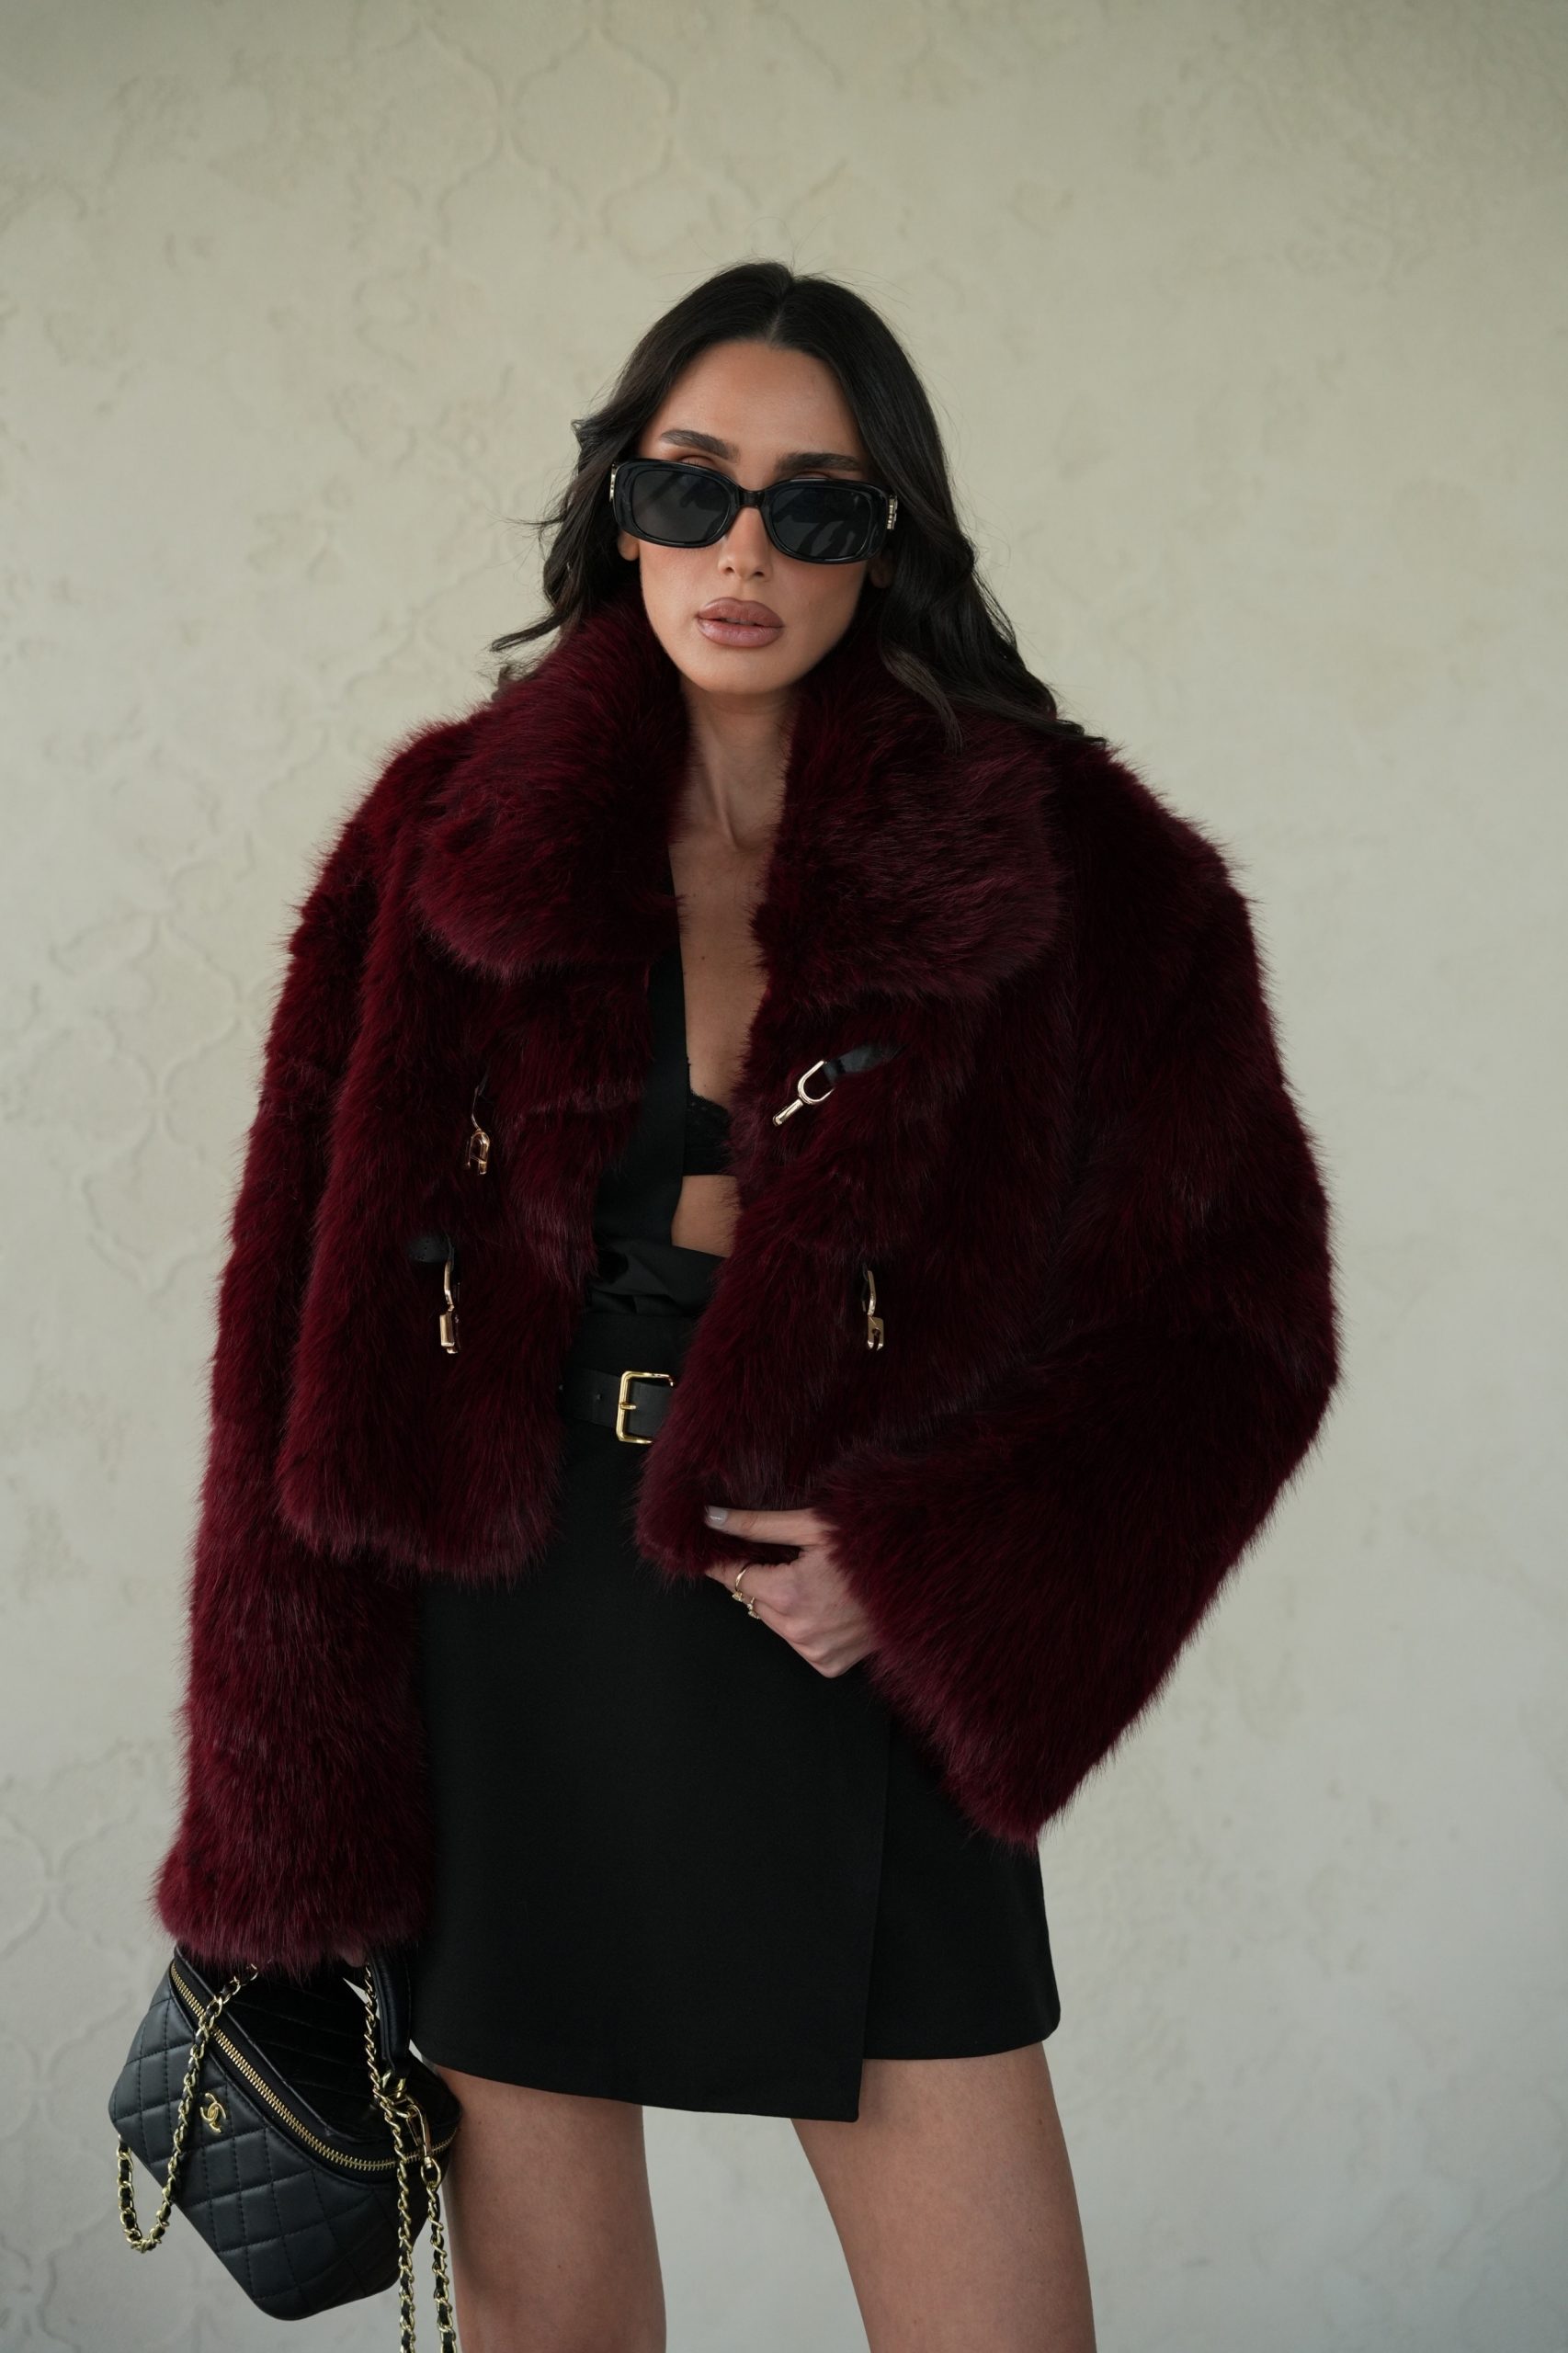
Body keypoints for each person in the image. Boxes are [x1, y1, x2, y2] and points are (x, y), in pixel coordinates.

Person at [153, 261, 1339, 2353]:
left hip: (845, 1647)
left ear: (890, 540)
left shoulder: (1083, 863)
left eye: (817, 507)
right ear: (617, 502)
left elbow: (1237, 1327)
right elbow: (289, 1342)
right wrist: (281, 1806)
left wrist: (933, 1568)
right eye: (690, 486)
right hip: (511, 1637)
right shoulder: (444, 834)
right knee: (551, 2317)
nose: (743, 552)